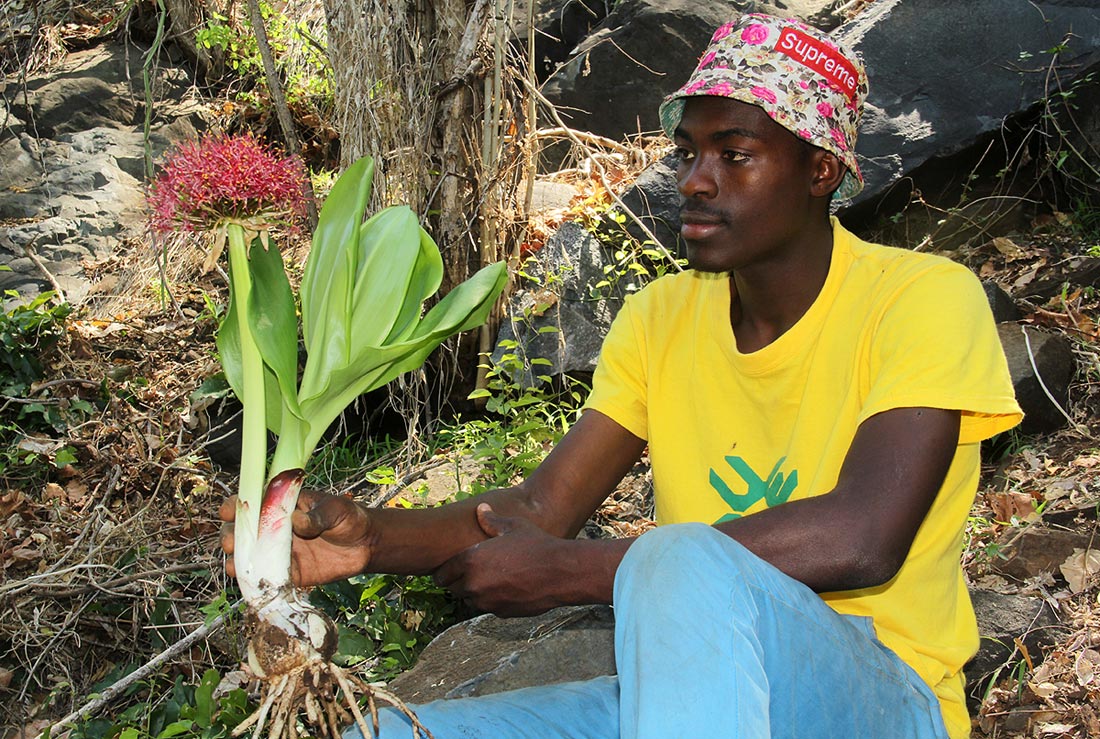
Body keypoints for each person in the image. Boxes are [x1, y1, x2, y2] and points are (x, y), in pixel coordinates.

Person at [220, 13, 1022, 739]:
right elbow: (538, 510)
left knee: (679, 557)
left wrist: (580, 572)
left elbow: (864, 537)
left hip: (877, 702)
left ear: (819, 171)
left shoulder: (921, 299)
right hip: (689, 696)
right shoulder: (661, 317)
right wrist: (372, 541)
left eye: (734, 155)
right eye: (688, 153)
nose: (695, 180)